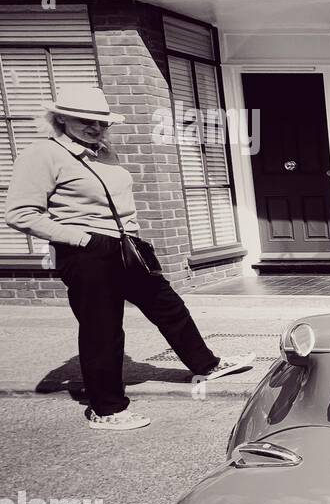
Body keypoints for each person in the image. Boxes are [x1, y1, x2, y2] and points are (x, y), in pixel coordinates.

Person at [4, 84, 254, 431]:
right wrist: (83, 240)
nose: (95, 128)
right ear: (60, 118)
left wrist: (131, 234)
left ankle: (206, 364)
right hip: (86, 252)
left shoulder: (104, 151)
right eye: (85, 121)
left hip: (127, 247)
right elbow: (21, 214)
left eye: (102, 122)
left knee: (168, 306)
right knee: (103, 330)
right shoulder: (43, 155)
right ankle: (105, 409)